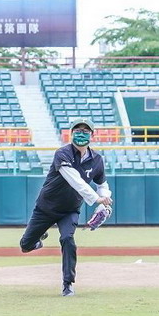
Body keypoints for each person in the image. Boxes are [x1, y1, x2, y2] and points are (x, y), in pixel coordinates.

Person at [19, 117, 113, 296]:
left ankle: (68, 284)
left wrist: (105, 200)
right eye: (78, 131)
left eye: (86, 131)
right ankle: (39, 238)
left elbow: (103, 185)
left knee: (67, 239)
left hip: (69, 210)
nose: (81, 134)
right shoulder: (62, 153)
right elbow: (74, 180)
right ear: (71, 134)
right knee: (25, 245)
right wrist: (95, 199)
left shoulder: (97, 160)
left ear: (92, 135)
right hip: (46, 208)